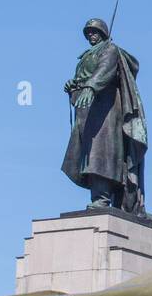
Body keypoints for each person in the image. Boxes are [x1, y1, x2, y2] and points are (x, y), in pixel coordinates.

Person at [59, 17, 147, 212]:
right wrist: (74, 85)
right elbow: (84, 78)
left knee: (102, 154)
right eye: (88, 32)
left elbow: (104, 70)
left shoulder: (110, 50)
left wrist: (90, 87)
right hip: (87, 112)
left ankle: (103, 198)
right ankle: (99, 197)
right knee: (89, 155)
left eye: (95, 31)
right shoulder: (85, 56)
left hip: (105, 110)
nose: (91, 34)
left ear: (104, 33)